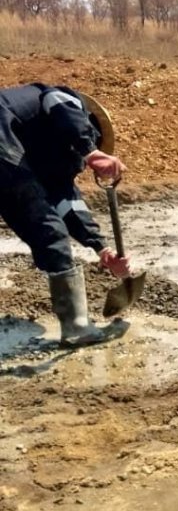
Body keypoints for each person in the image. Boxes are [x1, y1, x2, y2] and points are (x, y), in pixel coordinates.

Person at [0, 83, 130, 347]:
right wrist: (89, 149)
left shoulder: (41, 152)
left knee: (43, 222)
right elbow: (57, 103)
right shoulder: (65, 99)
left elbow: (66, 201)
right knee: (50, 231)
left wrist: (101, 247)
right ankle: (77, 328)